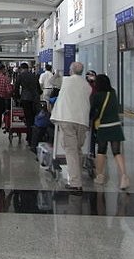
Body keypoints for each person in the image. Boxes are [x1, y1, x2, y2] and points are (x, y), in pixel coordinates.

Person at [50, 62, 91, 191]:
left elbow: (52, 81)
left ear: (71, 70)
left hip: (67, 119)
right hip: (82, 120)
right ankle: (77, 178)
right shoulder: (87, 85)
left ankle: (75, 182)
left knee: (71, 150)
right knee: (78, 149)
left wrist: (57, 73)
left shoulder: (66, 80)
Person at [91, 74, 130, 190]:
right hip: (116, 126)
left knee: (101, 151)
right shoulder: (113, 92)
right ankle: (124, 176)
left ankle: (100, 176)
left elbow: (93, 110)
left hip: (103, 126)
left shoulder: (97, 95)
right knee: (117, 152)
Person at [15, 62, 41, 147]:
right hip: (35, 99)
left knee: (28, 118)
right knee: (33, 118)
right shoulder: (34, 75)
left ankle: (29, 138)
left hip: (25, 98)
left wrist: (17, 97)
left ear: (21, 68)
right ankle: (33, 137)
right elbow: (39, 89)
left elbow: (16, 87)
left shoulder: (20, 76)